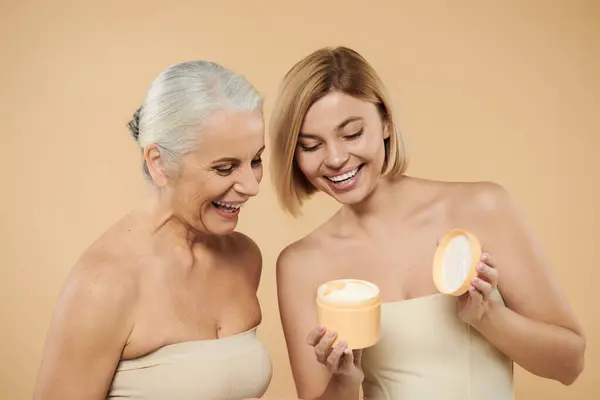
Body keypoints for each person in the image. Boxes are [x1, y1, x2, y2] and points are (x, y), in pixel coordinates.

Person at [269, 46, 586, 400]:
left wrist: (486, 317)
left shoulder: (481, 208)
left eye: (352, 133)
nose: (336, 158)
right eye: (311, 145)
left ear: (385, 122)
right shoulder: (301, 265)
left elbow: (569, 364)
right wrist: (344, 379)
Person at [33, 60, 273, 399]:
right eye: (225, 168)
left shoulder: (244, 257)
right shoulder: (103, 285)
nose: (251, 185)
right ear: (158, 163)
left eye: (256, 160)